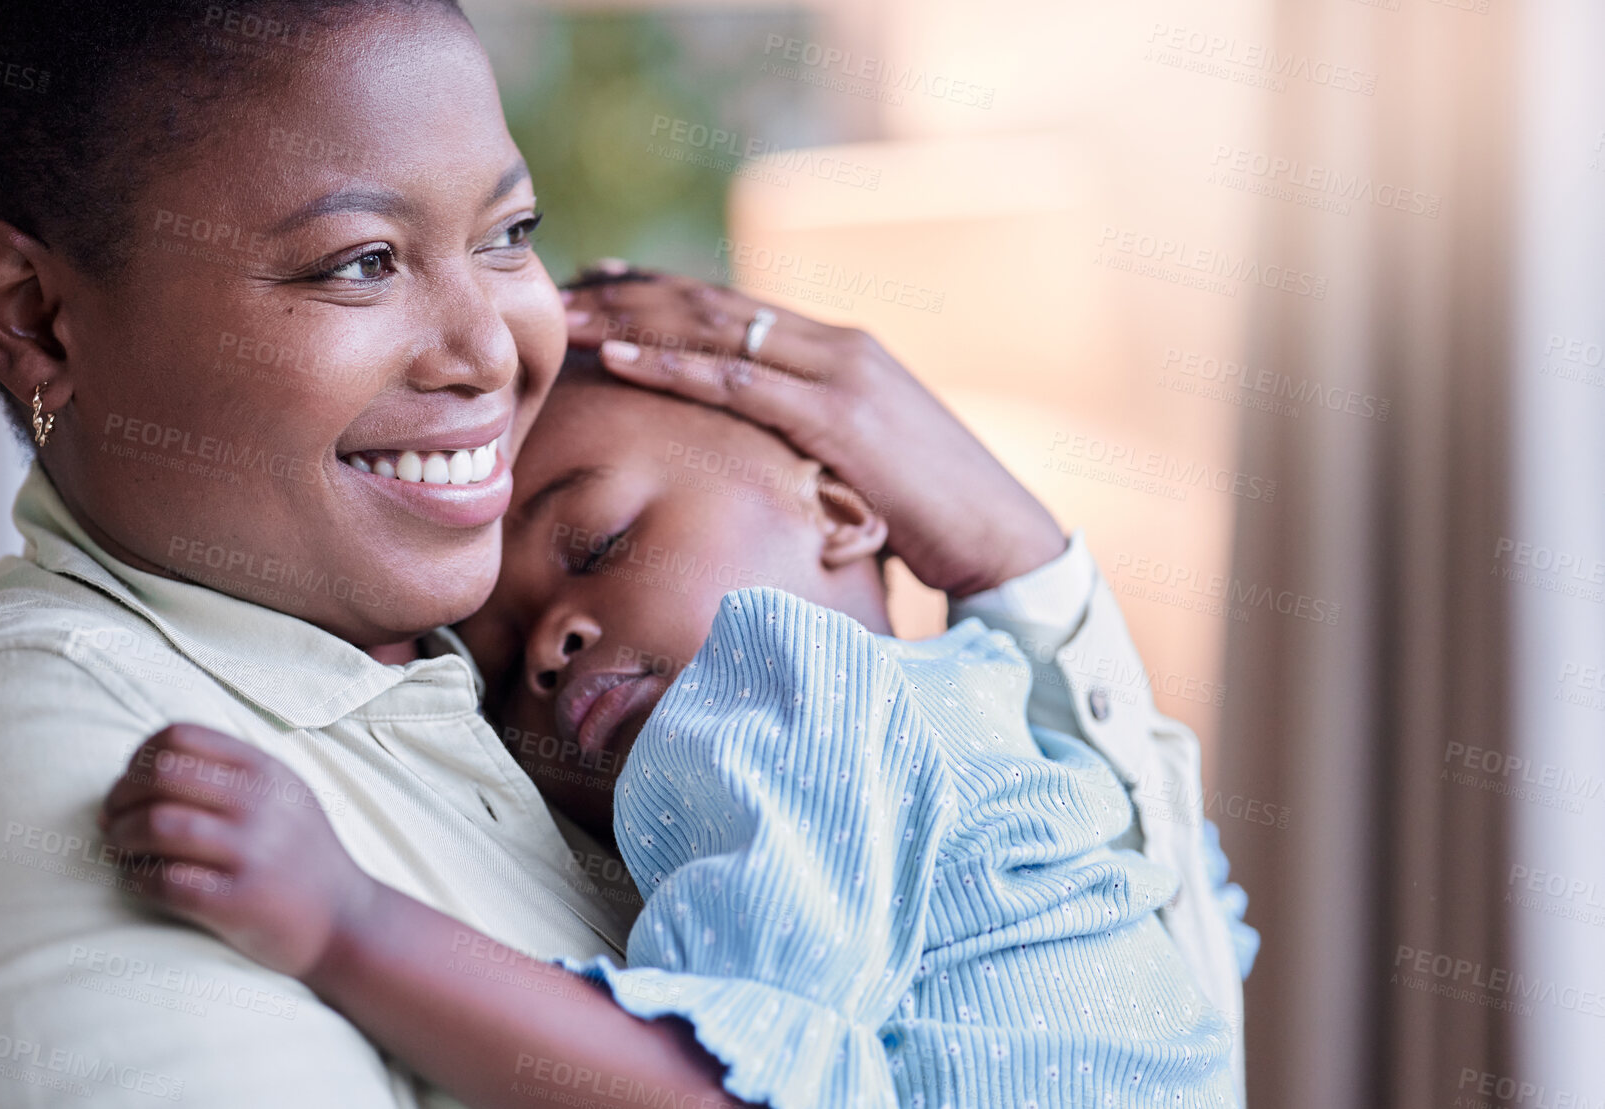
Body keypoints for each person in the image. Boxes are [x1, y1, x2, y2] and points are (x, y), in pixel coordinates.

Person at [0, 3, 687, 1105]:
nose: (490, 347)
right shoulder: (75, 780)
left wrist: (976, 560)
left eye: (508, 232)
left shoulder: (529, 679)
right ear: (34, 317)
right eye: (360, 262)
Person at [100, 341, 1258, 1107]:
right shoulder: (989, 706)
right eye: (498, 668)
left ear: (846, 509)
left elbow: (724, 1079)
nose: (548, 643)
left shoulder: (792, 689)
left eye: (596, 544)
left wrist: (344, 920)